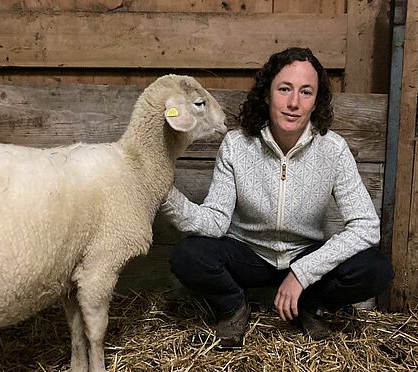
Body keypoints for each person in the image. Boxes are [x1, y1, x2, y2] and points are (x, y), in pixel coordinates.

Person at [160, 47, 394, 350]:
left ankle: (312, 306)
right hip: (248, 254)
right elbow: (215, 221)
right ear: (268, 94)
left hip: (304, 253)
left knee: (376, 268)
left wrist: (303, 272)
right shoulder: (236, 145)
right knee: (188, 256)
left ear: (316, 101)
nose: (294, 103)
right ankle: (233, 307)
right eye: (285, 89)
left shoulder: (333, 149)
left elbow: (365, 226)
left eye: (306, 92)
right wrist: (164, 193)